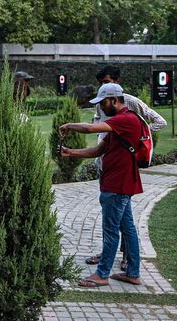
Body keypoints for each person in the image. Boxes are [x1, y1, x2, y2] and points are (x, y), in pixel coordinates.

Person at [60, 83, 143, 288]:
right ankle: (133, 273)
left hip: (116, 186)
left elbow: (89, 128)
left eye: (103, 103)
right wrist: (72, 152)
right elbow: (98, 150)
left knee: (111, 230)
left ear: (114, 100)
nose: (101, 108)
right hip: (120, 183)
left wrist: (69, 125)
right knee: (127, 228)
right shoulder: (117, 123)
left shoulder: (127, 119)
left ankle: (102, 274)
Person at [87, 66, 166, 270]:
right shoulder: (103, 102)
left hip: (122, 165)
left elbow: (160, 121)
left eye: (107, 82)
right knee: (119, 217)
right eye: (102, 83)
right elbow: (98, 127)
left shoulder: (129, 103)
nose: (104, 86)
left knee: (117, 220)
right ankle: (122, 260)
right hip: (105, 161)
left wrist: (138, 135)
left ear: (117, 83)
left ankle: (120, 261)